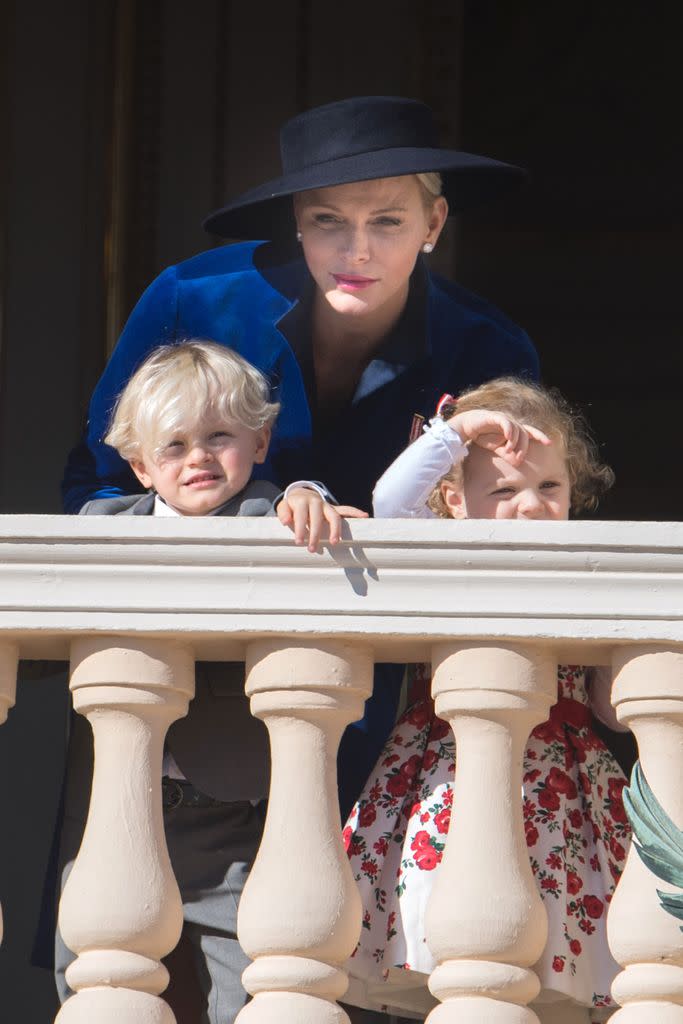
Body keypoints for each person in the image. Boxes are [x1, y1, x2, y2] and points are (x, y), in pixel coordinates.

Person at [61, 95, 540, 819]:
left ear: (433, 223)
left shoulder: (490, 350)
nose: (356, 252)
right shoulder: (195, 300)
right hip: (181, 673)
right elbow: (94, 480)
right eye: (327, 222)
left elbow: (513, 530)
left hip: (385, 685)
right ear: (296, 223)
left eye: (387, 221)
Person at [56, 339, 360, 1021]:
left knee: (262, 983)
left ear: (259, 442)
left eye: (219, 437)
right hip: (118, 805)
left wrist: (309, 494)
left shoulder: (270, 517)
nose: (197, 457)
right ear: (137, 465)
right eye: (173, 446)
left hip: (235, 816)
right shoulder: (101, 529)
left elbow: (299, 512)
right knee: (91, 979)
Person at [343, 378, 631, 1024]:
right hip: (451, 775)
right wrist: (461, 433)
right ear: (454, 500)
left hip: (562, 791)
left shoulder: (583, 575)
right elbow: (390, 501)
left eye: (548, 488)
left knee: (562, 970)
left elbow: (612, 711)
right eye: (502, 491)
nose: (529, 506)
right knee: (458, 953)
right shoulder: (443, 558)